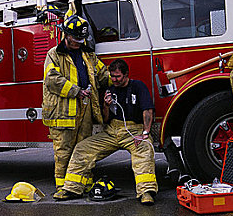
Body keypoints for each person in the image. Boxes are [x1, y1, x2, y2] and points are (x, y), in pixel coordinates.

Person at [59, 58, 158, 205]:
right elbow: (106, 119)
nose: (114, 80)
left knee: (144, 151)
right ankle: (72, 188)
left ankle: (146, 192)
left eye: (117, 76)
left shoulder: (137, 86)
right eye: (112, 76)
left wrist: (145, 133)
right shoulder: (111, 89)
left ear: (126, 74)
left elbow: (147, 110)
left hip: (133, 130)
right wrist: (106, 105)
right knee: (82, 148)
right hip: (112, 131)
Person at [42, 15, 111, 200]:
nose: (78, 43)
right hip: (63, 110)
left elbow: (103, 73)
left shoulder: (87, 54)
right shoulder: (54, 54)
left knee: (83, 148)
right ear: (65, 35)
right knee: (64, 150)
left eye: (81, 40)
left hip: (85, 108)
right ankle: (63, 187)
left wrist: (119, 82)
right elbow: (51, 79)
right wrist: (76, 91)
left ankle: (83, 184)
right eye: (74, 39)